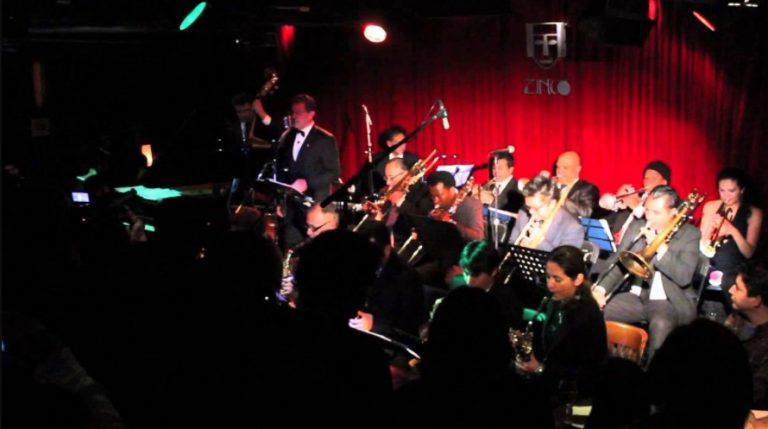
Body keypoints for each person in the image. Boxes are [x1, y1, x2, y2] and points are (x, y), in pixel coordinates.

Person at [593, 185, 700, 359]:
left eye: (656, 213)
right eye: (647, 210)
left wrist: (661, 249)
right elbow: (618, 264)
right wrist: (600, 290)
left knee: (661, 324)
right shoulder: (637, 227)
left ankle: (653, 372)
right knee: (592, 312)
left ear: (673, 212)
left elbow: (684, 277)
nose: (649, 216)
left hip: (668, 300)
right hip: (638, 295)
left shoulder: (690, 234)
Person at [517, 245, 607, 399]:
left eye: (557, 279)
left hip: (573, 394)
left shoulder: (584, 314)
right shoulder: (556, 300)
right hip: (552, 381)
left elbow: (580, 370)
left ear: (578, 279)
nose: (550, 284)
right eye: (548, 277)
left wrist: (539, 369)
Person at [272, 94, 341, 245]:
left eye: (298, 113)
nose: (294, 116)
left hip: (315, 207)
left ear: (311, 114)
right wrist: (281, 200)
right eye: (293, 112)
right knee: (292, 246)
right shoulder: (287, 137)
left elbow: (334, 172)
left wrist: (308, 183)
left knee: (317, 248)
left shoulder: (325, 139)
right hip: (292, 208)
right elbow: (282, 170)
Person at [700, 167, 763, 310]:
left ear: (742, 190)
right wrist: (710, 228)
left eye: (731, 191)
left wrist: (732, 231)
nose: (726, 196)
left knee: (729, 282)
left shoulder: (754, 212)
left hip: (735, 267)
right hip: (710, 263)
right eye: (722, 190)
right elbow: (702, 245)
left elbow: (749, 253)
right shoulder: (711, 206)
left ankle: (735, 318)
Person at [725, 259, 768, 409]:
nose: (730, 290)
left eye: (738, 288)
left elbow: (756, 393)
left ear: (756, 300)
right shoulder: (737, 318)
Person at [601, 160, 671, 244]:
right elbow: (608, 219)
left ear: (664, 182)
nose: (648, 181)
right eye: (646, 178)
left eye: (653, 178)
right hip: (613, 242)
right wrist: (614, 202)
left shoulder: (666, 204)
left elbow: (654, 225)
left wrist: (636, 207)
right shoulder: (635, 196)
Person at [508, 174, 584, 251]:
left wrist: (540, 242)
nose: (530, 212)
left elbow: (563, 258)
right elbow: (511, 244)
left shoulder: (573, 228)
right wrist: (519, 247)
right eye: (528, 207)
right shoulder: (523, 213)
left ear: (552, 203)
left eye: (536, 208)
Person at [458, 240, 523, 330]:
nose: (469, 281)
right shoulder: (463, 294)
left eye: (476, 275)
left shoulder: (506, 303)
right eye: (466, 273)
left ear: (493, 271)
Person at [477, 150, 525, 244]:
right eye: (494, 168)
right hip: (486, 235)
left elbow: (516, 214)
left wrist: (492, 201)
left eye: (500, 168)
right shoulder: (487, 185)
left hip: (506, 238)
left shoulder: (518, 187)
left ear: (511, 169)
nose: (495, 172)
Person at [427, 171, 484, 242]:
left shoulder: (471, 204)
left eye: (439, 195)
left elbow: (478, 237)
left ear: (451, 190)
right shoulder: (430, 202)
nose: (435, 200)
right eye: (432, 196)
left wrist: (450, 223)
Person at [554, 151, 600, 218]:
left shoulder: (588, 189)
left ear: (577, 169)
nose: (559, 171)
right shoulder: (552, 186)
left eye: (565, 168)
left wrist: (560, 197)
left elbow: (586, 212)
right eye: (558, 167)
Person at [371, 125, 419, 191]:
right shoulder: (378, 160)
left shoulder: (413, 159)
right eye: (399, 143)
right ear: (389, 144)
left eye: (404, 142)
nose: (403, 146)